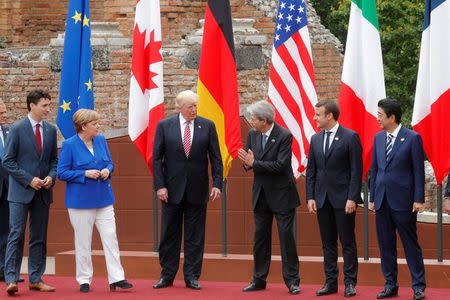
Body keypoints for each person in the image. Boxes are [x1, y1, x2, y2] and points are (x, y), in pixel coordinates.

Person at [152, 90, 223, 290]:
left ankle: (191, 276)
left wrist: (217, 183)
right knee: (169, 234)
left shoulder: (207, 126)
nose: (194, 110)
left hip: (197, 190)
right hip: (170, 191)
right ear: (179, 107)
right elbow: (157, 159)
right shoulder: (165, 126)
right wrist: (160, 186)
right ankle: (167, 275)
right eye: (190, 106)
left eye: (195, 106)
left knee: (195, 236)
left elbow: (215, 157)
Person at [57, 109, 133, 293]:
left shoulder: (100, 140)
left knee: (110, 237)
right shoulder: (69, 145)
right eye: (95, 124)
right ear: (83, 126)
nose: (99, 126)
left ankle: (117, 277)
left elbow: (110, 163)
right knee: (83, 241)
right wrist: (84, 173)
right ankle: (84, 279)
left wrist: (108, 170)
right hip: (80, 202)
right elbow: (62, 172)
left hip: (104, 199)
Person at [238, 100, 300, 295]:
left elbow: (280, 166)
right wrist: (247, 163)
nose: (251, 121)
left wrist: (254, 163)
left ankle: (292, 281)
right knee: (260, 240)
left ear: (264, 120)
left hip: (282, 194)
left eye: (254, 119)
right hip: (261, 195)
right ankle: (258, 279)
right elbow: (249, 161)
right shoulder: (252, 134)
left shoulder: (284, 135)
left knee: (286, 239)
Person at [369, 98, 426, 300]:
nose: (377, 118)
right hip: (382, 200)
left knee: (410, 244)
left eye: (380, 115)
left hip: (404, 201)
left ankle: (418, 286)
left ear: (392, 117)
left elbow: (418, 171)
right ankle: (390, 284)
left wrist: (418, 198)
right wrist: (372, 196)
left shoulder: (412, 138)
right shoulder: (378, 138)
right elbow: (374, 169)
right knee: (386, 245)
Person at [2, 90, 58, 295]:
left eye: (49, 105)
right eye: (44, 105)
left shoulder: (51, 131)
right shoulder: (16, 129)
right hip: (19, 192)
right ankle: (11, 279)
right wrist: (29, 179)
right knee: (16, 234)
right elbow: (7, 161)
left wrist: (51, 177)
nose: (48, 109)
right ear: (32, 105)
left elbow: (54, 160)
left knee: (39, 237)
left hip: (43, 193)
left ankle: (36, 278)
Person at [305, 100, 362, 298]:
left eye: (317, 114)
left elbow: (356, 171)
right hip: (322, 199)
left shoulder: (350, 137)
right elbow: (311, 170)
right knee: (327, 242)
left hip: (343, 200)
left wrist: (352, 197)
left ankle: (350, 283)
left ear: (329, 116)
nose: (315, 117)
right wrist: (310, 196)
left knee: (347, 241)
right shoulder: (315, 139)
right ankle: (330, 282)